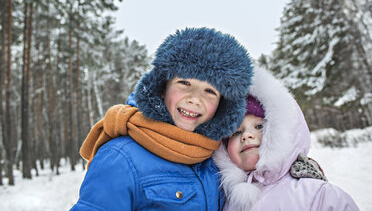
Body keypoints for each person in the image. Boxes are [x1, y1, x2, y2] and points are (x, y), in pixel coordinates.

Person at [70, 27, 254, 210]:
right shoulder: (120, 158)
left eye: (210, 91)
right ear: (162, 87)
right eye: (184, 83)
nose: (195, 99)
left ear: (222, 105)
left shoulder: (216, 162)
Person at [213, 65, 359, 211]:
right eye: (236, 133)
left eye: (259, 126)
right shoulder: (225, 201)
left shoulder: (318, 195)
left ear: (280, 131)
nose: (246, 135)